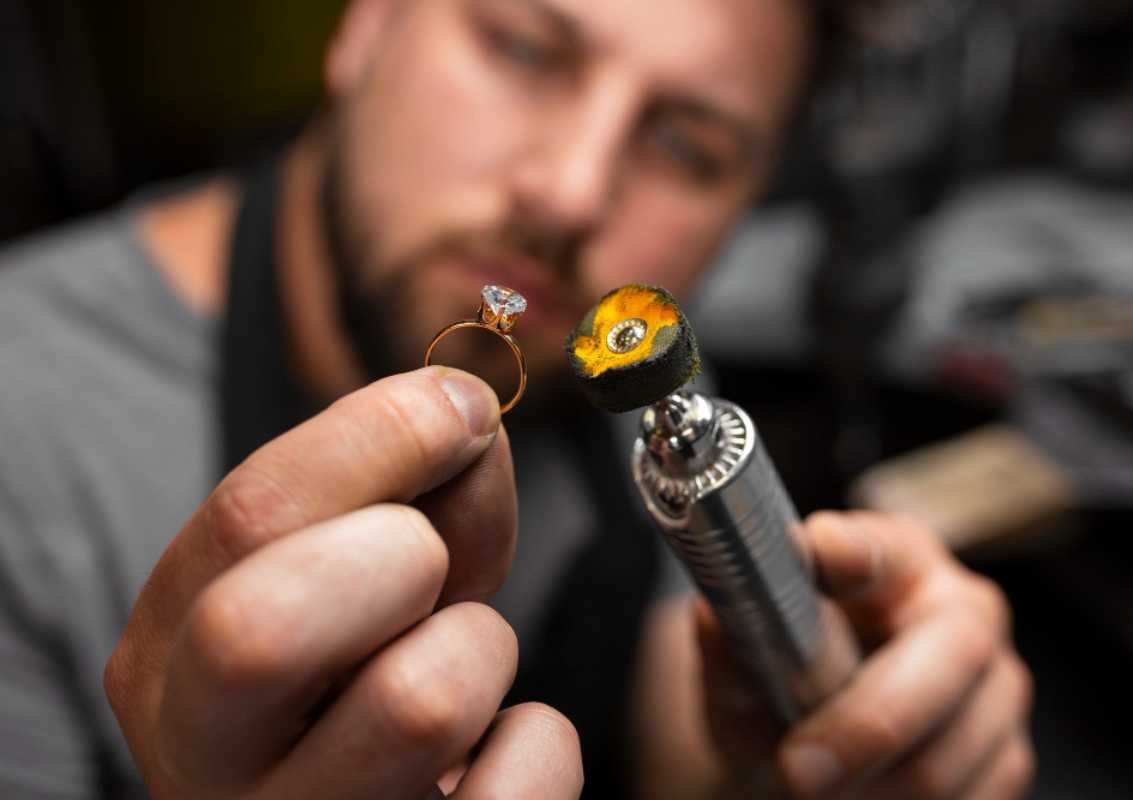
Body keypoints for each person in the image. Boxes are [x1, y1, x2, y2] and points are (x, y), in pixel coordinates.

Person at [0, 0, 1034, 797]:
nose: (572, 194)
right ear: (370, 23)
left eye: (688, 149)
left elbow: (679, 736)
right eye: (526, 51)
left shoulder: (629, 362)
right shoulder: (24, 414)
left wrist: (836, 731)